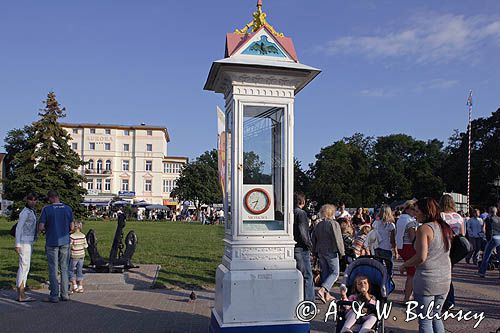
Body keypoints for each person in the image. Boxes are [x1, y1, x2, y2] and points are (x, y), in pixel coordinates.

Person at [399, 198, 453, 333]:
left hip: (427, 279)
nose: (415, 214)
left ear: (425, 212)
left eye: (417, 211)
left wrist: (405, 264)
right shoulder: (444, 227)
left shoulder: (424, 228)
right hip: (444, 278)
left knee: (425, 320)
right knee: (436, 316)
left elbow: (421, 256)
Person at [39, 190, 74, 303]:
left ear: (50, 198)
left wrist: (46, 229)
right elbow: (72, 227)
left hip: (52, 241)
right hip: (65, 241)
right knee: (64, 268)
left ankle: (54, 295)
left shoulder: (47, 209)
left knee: (53, 268)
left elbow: (41, 227)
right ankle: (65, 294)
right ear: (58, 197)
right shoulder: (68, 208)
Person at [311, 204, 345, 303]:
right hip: (331, 250)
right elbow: (338, 239)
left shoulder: (318, 224)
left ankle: (326, 294)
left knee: (325, 272)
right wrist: (342, 252)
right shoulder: (334, 224)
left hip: (320, 251)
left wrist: (314, 252)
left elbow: (314, 239)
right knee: (335, 272)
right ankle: (323, 290)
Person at [439, 194, 465, 311]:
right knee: (449, 272)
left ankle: (447, 299)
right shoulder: (459, 217)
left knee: (443, 274)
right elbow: (463, 234)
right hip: (456, 247)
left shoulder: (441, 216)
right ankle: (449, 299)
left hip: (444, 246)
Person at [14, 193, 38, 302]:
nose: (33, 202)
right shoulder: (25, 212)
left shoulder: (31, 212)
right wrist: (17, 244)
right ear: (27, 200)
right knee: (24, 266)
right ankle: (21, 292)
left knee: (26, 267)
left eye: (35, 200)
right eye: (31, 200)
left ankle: (21, 291)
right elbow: (19, 228)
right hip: (24, 241)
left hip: (29, 240)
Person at [293, 192, 314, 302]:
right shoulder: (301, 214)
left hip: (293, 246)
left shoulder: (290, 212)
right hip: (301, 247)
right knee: (307, 276)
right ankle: (309, 304)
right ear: (303, 201)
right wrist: (309, 245)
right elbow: (303, 232)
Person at [395, 199, 418, 302]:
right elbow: (412, 237)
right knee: (412, 274)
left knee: (410, 272)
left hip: (401, 246)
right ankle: (407, 298)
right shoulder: (410, 221)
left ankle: (408, 294)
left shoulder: (400, 219)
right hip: (409, 246)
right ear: (408, 209)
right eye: (414, 209)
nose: (415, 212)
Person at [372, 205, 396, 275]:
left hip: (377, 247)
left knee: (379, 267)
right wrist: (395, 249)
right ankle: (388, 281)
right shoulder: (391, 225)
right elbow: (392, 239)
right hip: (387, 247)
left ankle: (379, 280)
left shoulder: (376, 222)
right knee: (389, 268)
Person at [478, 206, 500, 278]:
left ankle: (482, 272)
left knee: (486, 255)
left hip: (492, 238)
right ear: (496, 211)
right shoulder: (499, 219)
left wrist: (485, 237)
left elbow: (484, 229)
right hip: (499, 238)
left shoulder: (488, 219)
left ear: (490, 212)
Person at [69, 221, 88, 293]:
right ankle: (80, 286)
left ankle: (74, 285)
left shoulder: (72, 236)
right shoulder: (83, 236)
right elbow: (86, 245)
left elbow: (70, 245)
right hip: (81, 255)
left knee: (71, 270)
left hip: (74, 255)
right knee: (79, 270)